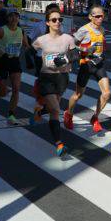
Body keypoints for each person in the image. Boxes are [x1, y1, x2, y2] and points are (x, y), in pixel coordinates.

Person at [32, 8, 78, 157]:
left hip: (62, 77)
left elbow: (75, 54)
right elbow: (29, 51)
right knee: (56, 110)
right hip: (46, 77)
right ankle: (59, 144)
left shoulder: (68, 38)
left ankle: (39, 111)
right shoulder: (42, 39)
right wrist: (35, 64)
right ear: (47, 22)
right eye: (54, 20)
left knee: (53, 109)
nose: (57, 22)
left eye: (60, 20)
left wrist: (65, 59)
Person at [64, 6, 109, 133]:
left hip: (98, 64)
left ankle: (95, 118)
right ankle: (69, 114)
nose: (100, 18)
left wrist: (101, 54)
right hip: (86, 65)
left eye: (102, 16)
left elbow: (101, 46)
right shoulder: (84, 30)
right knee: (78, 95)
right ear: (90, 17)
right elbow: (72, 45)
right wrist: (85, 50)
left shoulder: (102, 29)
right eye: (97, 16)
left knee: (106, 94)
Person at [0, 9, 29, 125]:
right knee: (2, 93)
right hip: (2, 61)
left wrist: (34, 49)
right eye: (11, 16)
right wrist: (1, 52)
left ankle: (11, 115)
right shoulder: (2, 31)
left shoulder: (21, 31)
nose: (14, 19)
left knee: (16, 89)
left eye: (16, 16)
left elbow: (26, 45)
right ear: (7, 18)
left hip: (14, 61)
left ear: (19, 18)